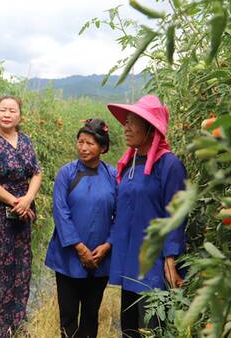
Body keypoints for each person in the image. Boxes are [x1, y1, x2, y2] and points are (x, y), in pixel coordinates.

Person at [107, 95, 187, 338]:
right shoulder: (130, 164)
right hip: (130, 261)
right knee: (129, 329)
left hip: (154, 263)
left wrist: (171, 257)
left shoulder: (168, 165)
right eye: (126, 121)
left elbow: (176, 213)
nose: (126, 127)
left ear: (150, 128)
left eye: (133, 122)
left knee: (152, 329)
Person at [0, 96, 42, 337]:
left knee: (21, 267)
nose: (6, 114)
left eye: (12, 110)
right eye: (2, 109)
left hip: (22, 217)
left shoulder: (25, 141)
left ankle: (18, 324)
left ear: (19, 116)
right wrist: (15, 202)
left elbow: (36, 173)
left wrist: (26, 200)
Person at [45, 118, 116, 338]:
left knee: (90, 315)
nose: (83, 148)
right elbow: (60, 212)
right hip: (69, 256)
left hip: (99, 258)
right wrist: (80, 248)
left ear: (103, 147)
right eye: (80, 142)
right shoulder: (66, 174)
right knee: (68, 316)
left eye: (90, 143)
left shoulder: (113, 176)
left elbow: (121, 215)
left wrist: (107, 245)